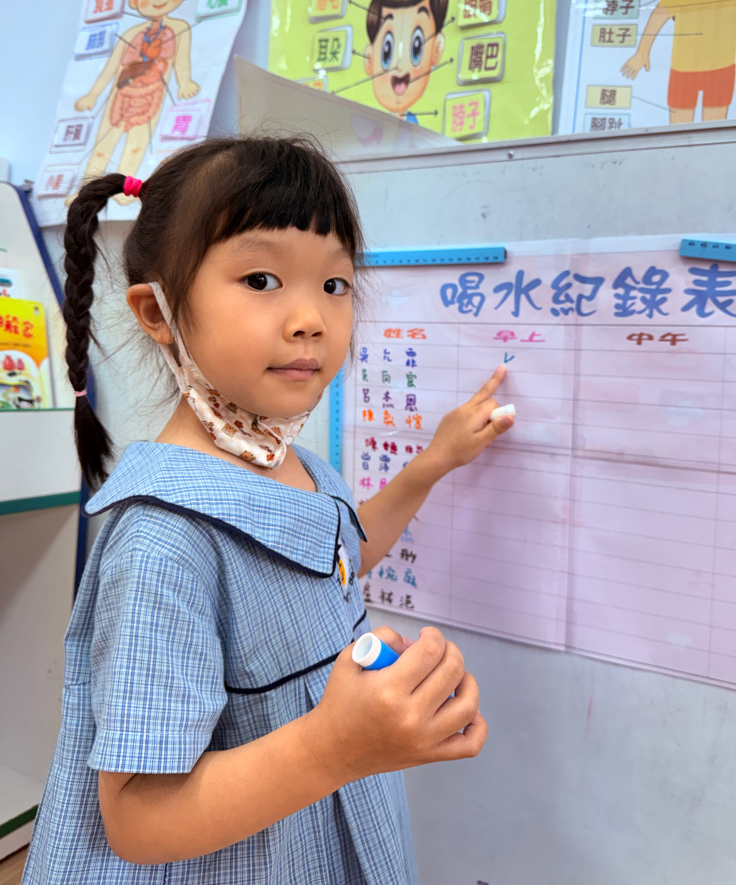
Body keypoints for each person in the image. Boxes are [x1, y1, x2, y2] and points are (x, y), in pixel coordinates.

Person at [22, 136, 515, 884]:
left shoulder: (296, 463)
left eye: (335, 284)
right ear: (157, 312)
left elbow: (341, 559)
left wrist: (433, 463)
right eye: (261, 279)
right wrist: (336, 746)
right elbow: (137, 819)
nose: (311, 318)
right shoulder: (163, 543)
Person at [73, 0, 200, 196]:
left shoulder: (180, 29)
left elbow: (182, 62)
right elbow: (111, 67)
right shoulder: (132, 33)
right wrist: (93, 95)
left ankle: (129, 194)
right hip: (120, 94)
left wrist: (185, 82)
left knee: (137, 145)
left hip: (152, 94)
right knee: (103, 144)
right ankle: (87, 193)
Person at [363, 0, 449, 123]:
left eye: (416, 47)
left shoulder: (417, 130)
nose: (399, 66)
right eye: (387, 51)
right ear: (369, 59)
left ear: (437, 49)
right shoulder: (363, 126)